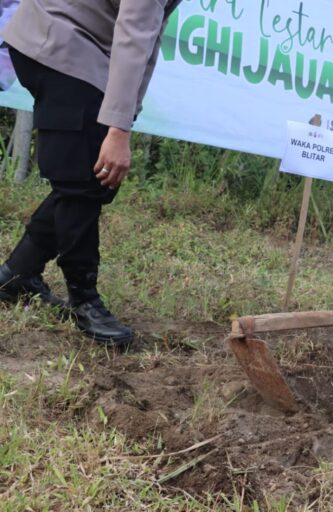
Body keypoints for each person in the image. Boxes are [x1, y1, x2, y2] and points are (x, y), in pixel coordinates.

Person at [0, 0, 181, 347]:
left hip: (75, 41)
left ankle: (18, 274)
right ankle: (85, 300)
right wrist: (118, 131)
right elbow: (134, 35)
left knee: (85, 177)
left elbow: (149, 36)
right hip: (62, 39)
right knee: (85, 179)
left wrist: (126, 113)